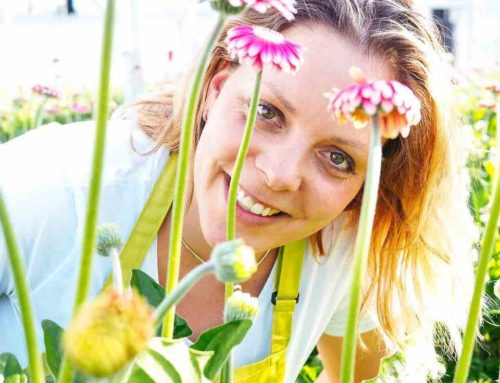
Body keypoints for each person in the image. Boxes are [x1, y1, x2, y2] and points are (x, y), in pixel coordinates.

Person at [0, 0, 477, 382]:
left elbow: (353, 373)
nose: (280, 175)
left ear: (368, 184)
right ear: (216, 87)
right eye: (266, 112)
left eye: (338, 158)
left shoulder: (343, 246)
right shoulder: (45, 192)